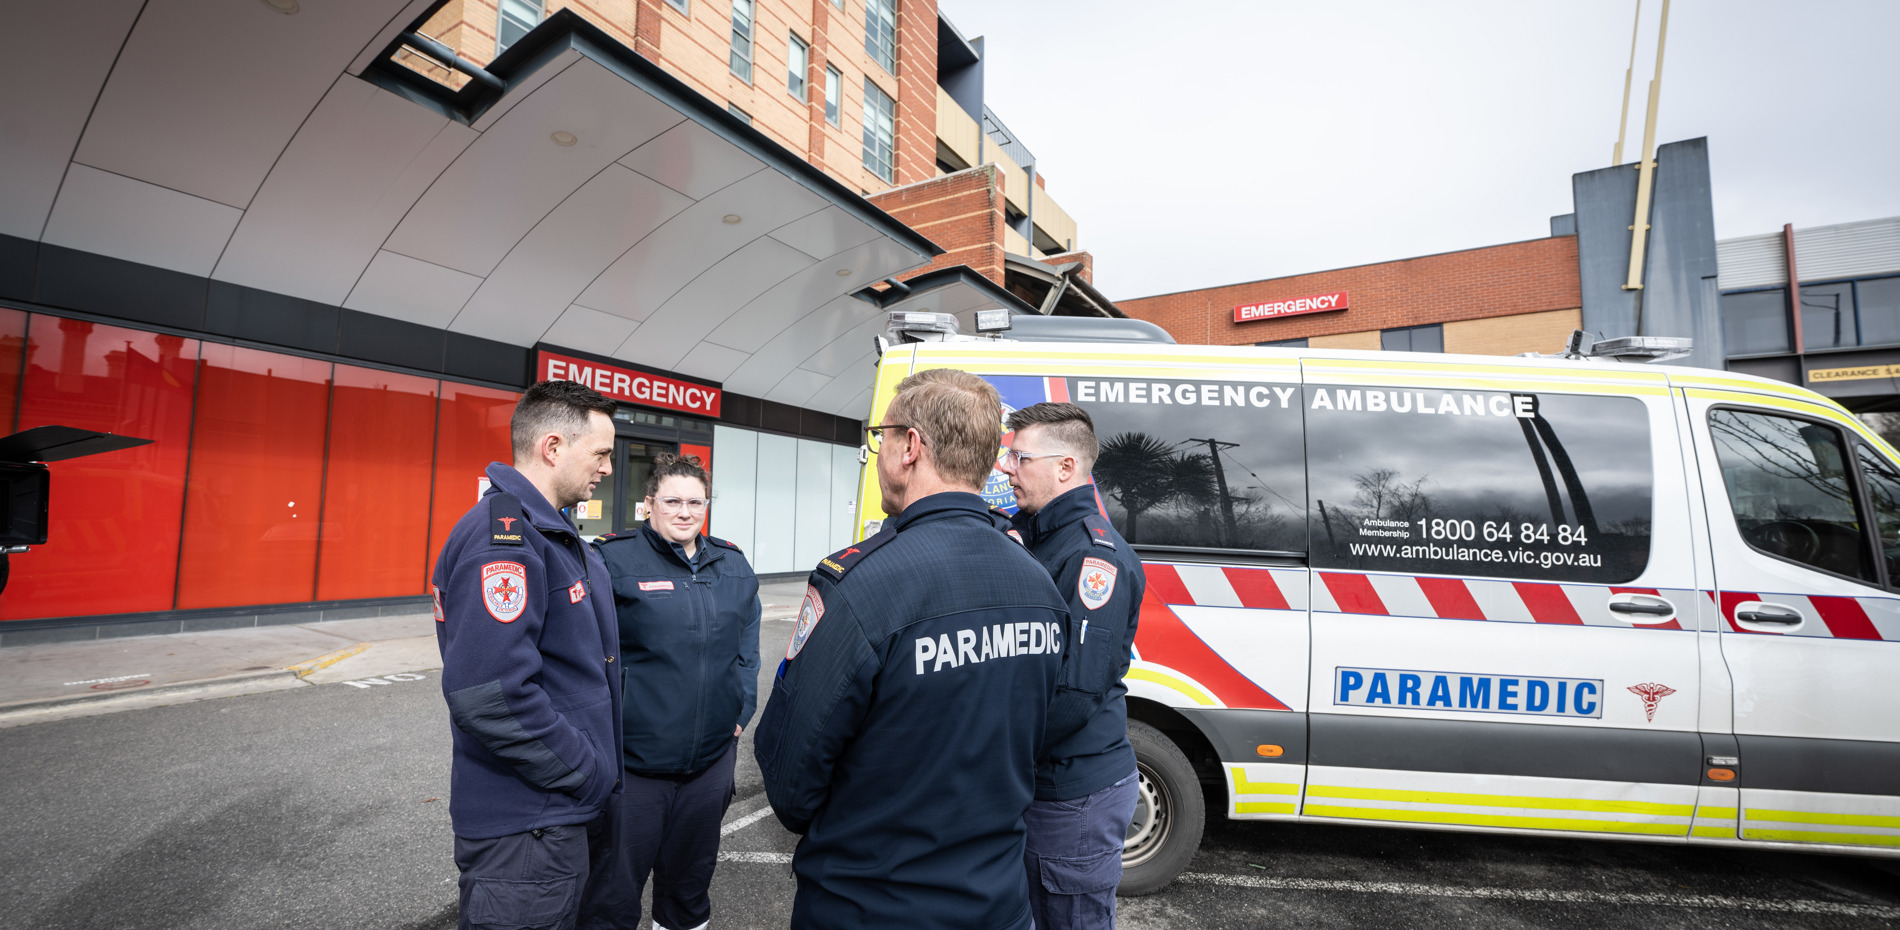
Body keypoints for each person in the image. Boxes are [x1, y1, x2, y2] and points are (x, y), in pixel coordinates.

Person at [752, 367, 1069, 930]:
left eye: (881, 437)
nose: (877, 453)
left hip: (871, 905)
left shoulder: (861, 584)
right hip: (997, 904)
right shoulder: (1037, 582)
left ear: (911, 447)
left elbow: (790, 779)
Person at [433, 380, 622, 930]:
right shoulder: (505, 540)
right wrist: (587, 773)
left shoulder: (549, 533)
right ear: (553, 447)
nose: (608, 468)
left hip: (550, 818)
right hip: (528, 829)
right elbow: (489, 695)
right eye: (602, 453)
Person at [580, 454, 760, 930]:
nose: (685, 511)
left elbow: (747, 645)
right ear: (649, 505)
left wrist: (741, 707)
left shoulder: (733, 565)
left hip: (708, 767)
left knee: (688, 891)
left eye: (695, 502)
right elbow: (584, 654)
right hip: (632, 769)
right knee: (611, 898)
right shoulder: (611, 560)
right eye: (673, 501)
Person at [999, 402, 1145, 930]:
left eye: (1019, 458)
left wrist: (986, 756)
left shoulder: (1091, 558)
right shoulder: (1036, 534)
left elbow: (1072, 696)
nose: (1005, 468)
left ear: (1064, 468)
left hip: (1070, 798)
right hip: (1042, 787)